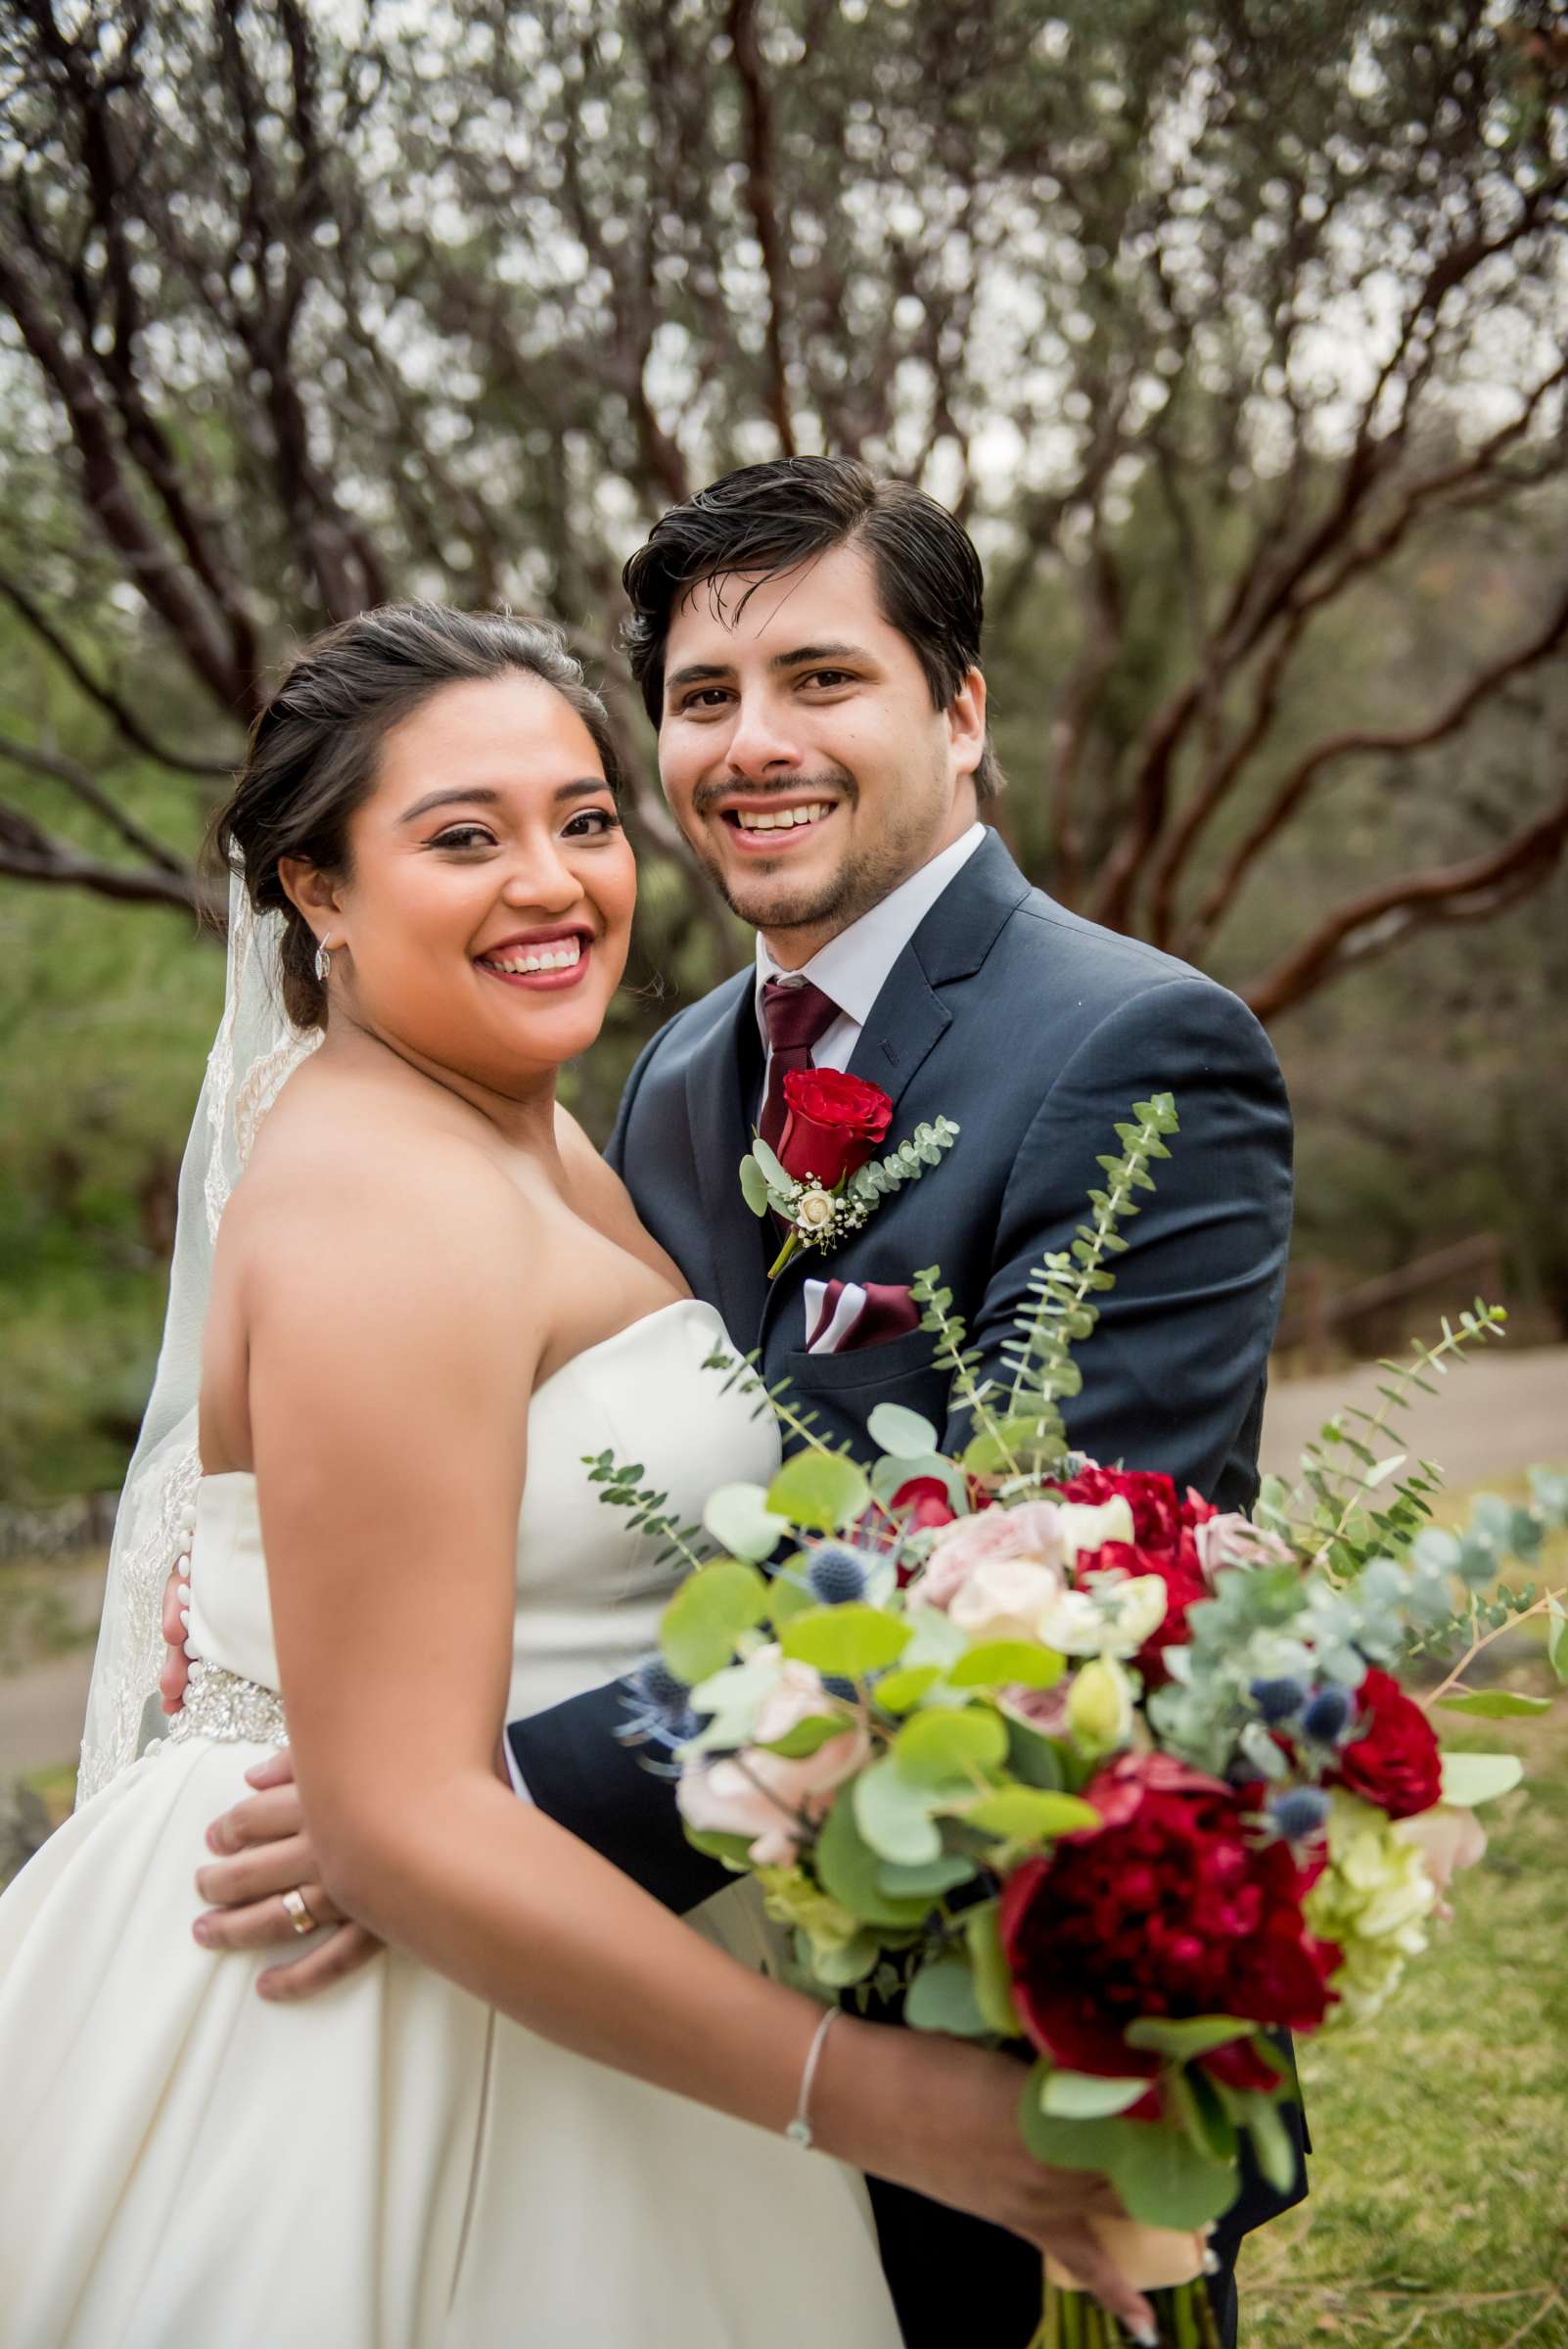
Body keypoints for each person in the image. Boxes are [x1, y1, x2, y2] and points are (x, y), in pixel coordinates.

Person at [173, 460, 1302, 2347]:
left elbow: (1076, 1573)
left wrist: (471, 1811)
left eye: (822, 680)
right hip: (663, 2006)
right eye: (703, 701)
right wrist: (413, 1809)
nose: (752, 744)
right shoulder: (676, 1071)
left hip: (1011, 1964)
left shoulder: (1136, 1047)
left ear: (958, 711)